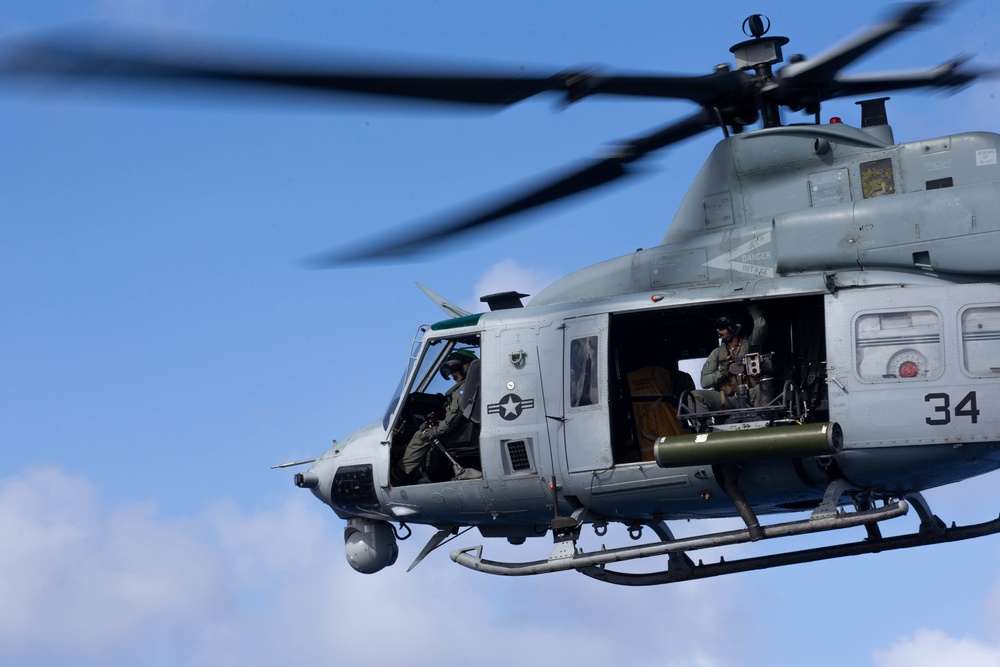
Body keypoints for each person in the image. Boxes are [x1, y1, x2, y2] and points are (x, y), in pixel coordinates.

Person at [395, 349, 477, 484]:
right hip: (464, 428)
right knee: (431, 438)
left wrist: (438, 429)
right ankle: (427, 475)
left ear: (466, 367)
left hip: (463, 432)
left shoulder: (463, 389)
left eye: (454, 370)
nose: (452, 375)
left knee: (421, 436)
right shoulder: (472, 386)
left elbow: (454, 414)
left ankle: (399, 475)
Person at [688, 303, 768, 415]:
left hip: (751, 394)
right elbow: (704, 382)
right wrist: (724, 372)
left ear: (734, 327)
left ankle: (763, 423)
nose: (717, 330)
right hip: (727, 399)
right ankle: (703, 431)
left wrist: (750, 303)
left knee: (762, 388)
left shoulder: (751, 345)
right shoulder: (717, 353)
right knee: (696, 395)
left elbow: (761, 325)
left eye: (721, 327)